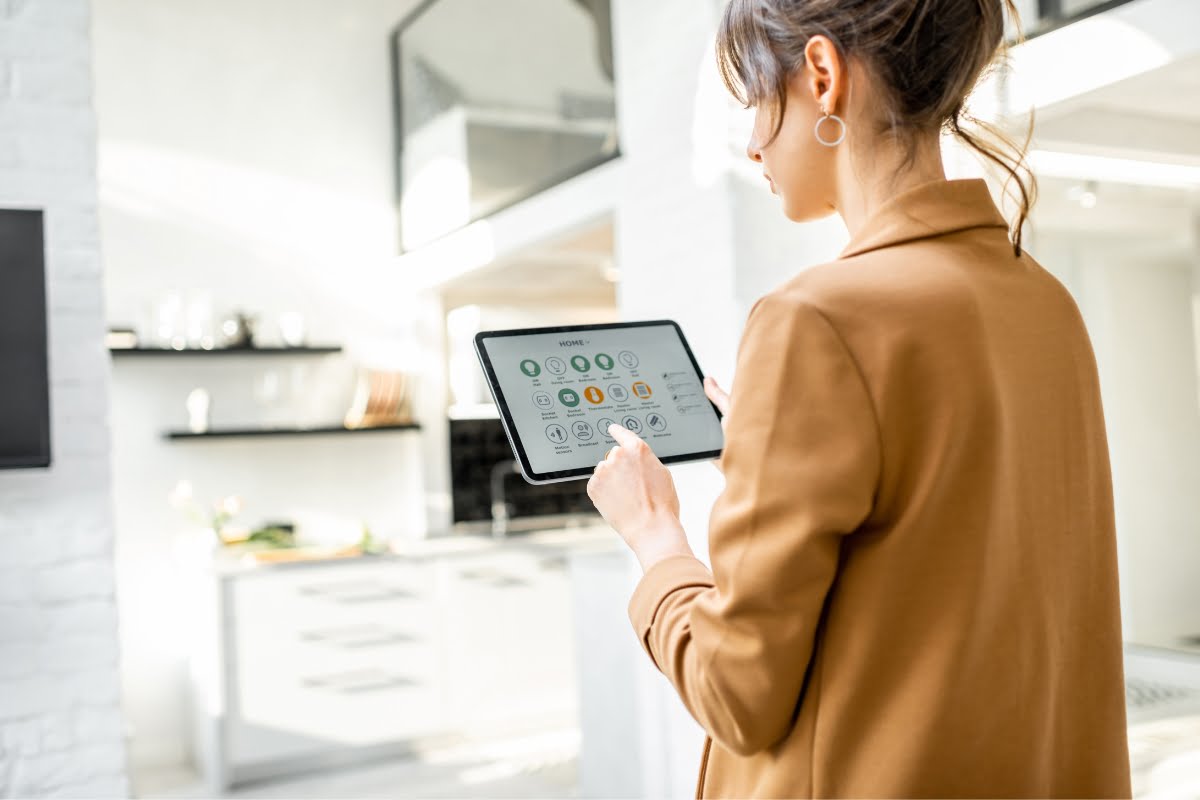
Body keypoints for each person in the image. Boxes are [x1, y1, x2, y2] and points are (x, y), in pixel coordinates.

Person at [585, 0, 1132, 797]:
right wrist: (780, 449)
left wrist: (658, 538)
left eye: (755, 103)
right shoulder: (1048, 303)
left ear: (820, 75)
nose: (752, 142)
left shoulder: (814, 321)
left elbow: (738, 696)